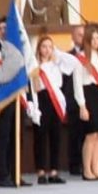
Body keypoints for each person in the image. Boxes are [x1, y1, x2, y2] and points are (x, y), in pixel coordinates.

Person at [29, 28, 69, 184]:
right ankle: (40, 171)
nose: (47, 50)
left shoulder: (56, 65)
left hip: (55, 100)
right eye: (44, 46)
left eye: (50, 47)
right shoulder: (34, 66)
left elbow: (70, 64)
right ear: (39, 48)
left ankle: (54, 170)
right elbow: (34, 86)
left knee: (56, 135)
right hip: (41, 100)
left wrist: (56, 54)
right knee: (40, 136)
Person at [75, 28, 98, 181]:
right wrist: (82, 105)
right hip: (88, 93)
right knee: (90, 134)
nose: (97, 41)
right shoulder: (81, 58)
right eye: (94, 38)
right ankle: (87, 169)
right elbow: (77, 83)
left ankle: (96, 169)